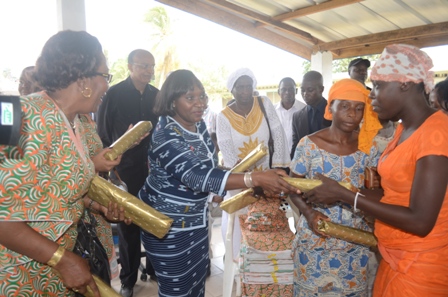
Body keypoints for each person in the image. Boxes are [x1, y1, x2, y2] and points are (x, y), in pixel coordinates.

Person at [138, 69, 299, 297]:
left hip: (196, 221)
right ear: (172, 101)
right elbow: (195, 175)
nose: (200, 104)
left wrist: (256, 175)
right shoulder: (166, 134)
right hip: (168, 226)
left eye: (202, 96)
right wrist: (254, 178)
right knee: (177, 290)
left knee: (196, 285)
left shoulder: (198, 125)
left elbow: (209, 167)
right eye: (190, 98)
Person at [305, 44, 448, 297]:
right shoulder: (405, 131)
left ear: (404, 83)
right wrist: (341, 189)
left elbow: (420, 220)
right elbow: (393, 195)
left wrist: (345, 196)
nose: (371, 97)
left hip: (421, 266)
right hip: (395, 257)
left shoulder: (435, 133)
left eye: (379, 86)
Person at [0, 30, 115, 296]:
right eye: (105, 76)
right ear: (84, 79)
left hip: (54, 265)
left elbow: (55, 193)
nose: (107, 86)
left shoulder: (76, 120)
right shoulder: (13, 114)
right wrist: (60, 259)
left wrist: (97, 206)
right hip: (15, 272)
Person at [289, 78, 382, 297]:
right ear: (330, 107)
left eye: (359, 108)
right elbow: (292, 186)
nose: (353, 114)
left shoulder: (369, 149)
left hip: (355, 240)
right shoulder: (308, 145)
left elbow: (377, 193)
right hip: (315, 237)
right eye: (345, 106)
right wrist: (310, 214)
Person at [217, 68, 294, 296]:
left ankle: (270, 266)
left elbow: (278, 134)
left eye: (247, 85)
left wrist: (277, 168)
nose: (244, 91)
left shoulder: (263, 103)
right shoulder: (223, 116)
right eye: (239, 87)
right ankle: (242, 266)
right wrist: (248, 180)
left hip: (269, 178)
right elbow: (228, 152)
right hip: (241, 182)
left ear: (253, 86)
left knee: (271, 223)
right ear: (232, 89)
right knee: (238, 224)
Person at [97, 49, 159, 296]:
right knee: (129, 225)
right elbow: (101, 134)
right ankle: (128, 281)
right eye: (143, 65)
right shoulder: (114, 94)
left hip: (154, 171)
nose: (148, 71)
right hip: (125, 171)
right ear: (130, 66)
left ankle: (155, 270)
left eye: (151, 66)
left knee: (154, 221)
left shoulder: (157, 95)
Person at [290, 71, 331, 158]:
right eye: (302, 90)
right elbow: (296, 147)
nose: (305, 94)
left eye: (310, 90)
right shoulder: (297, 117)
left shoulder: (334, 112)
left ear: (321, 89)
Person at [275, 77, 306, 152]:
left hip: (298, 156)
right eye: (283, 89)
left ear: (296, 91)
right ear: (279, 92)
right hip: (277, 157)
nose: (287, 92)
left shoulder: (304, 110)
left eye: (291, 89)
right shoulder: (272, 111)